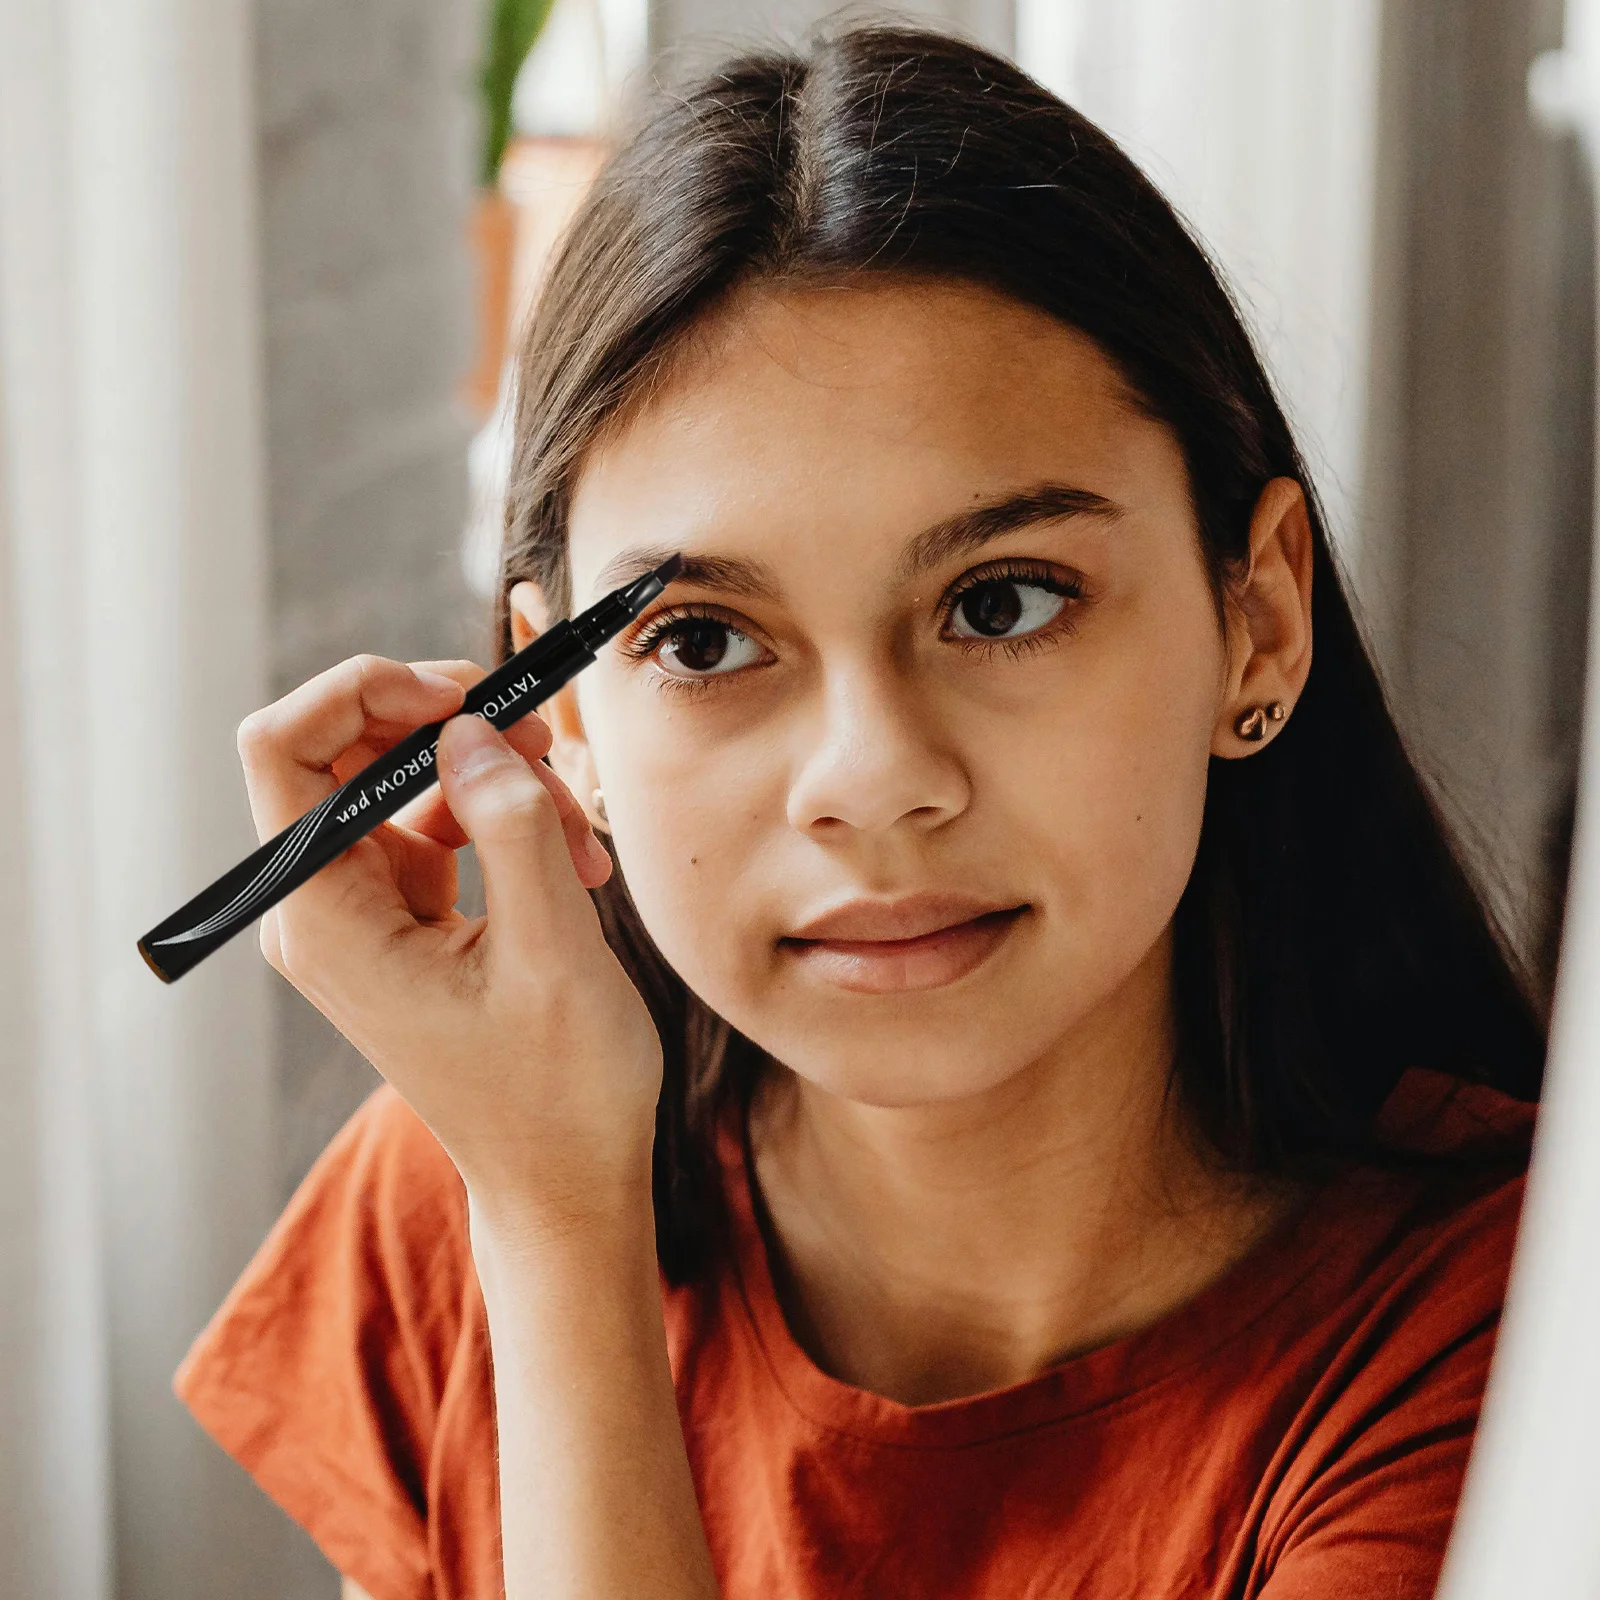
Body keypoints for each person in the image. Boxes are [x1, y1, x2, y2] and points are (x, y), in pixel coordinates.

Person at [175, 21, 1545, 1600]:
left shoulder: (1517, 1341)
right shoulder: (480, 1173)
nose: (874, 776)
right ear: (566, 717)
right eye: (702, 642)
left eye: (1005, 601)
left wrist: (555, 1236)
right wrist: (549, 1223)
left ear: (1262, 621)